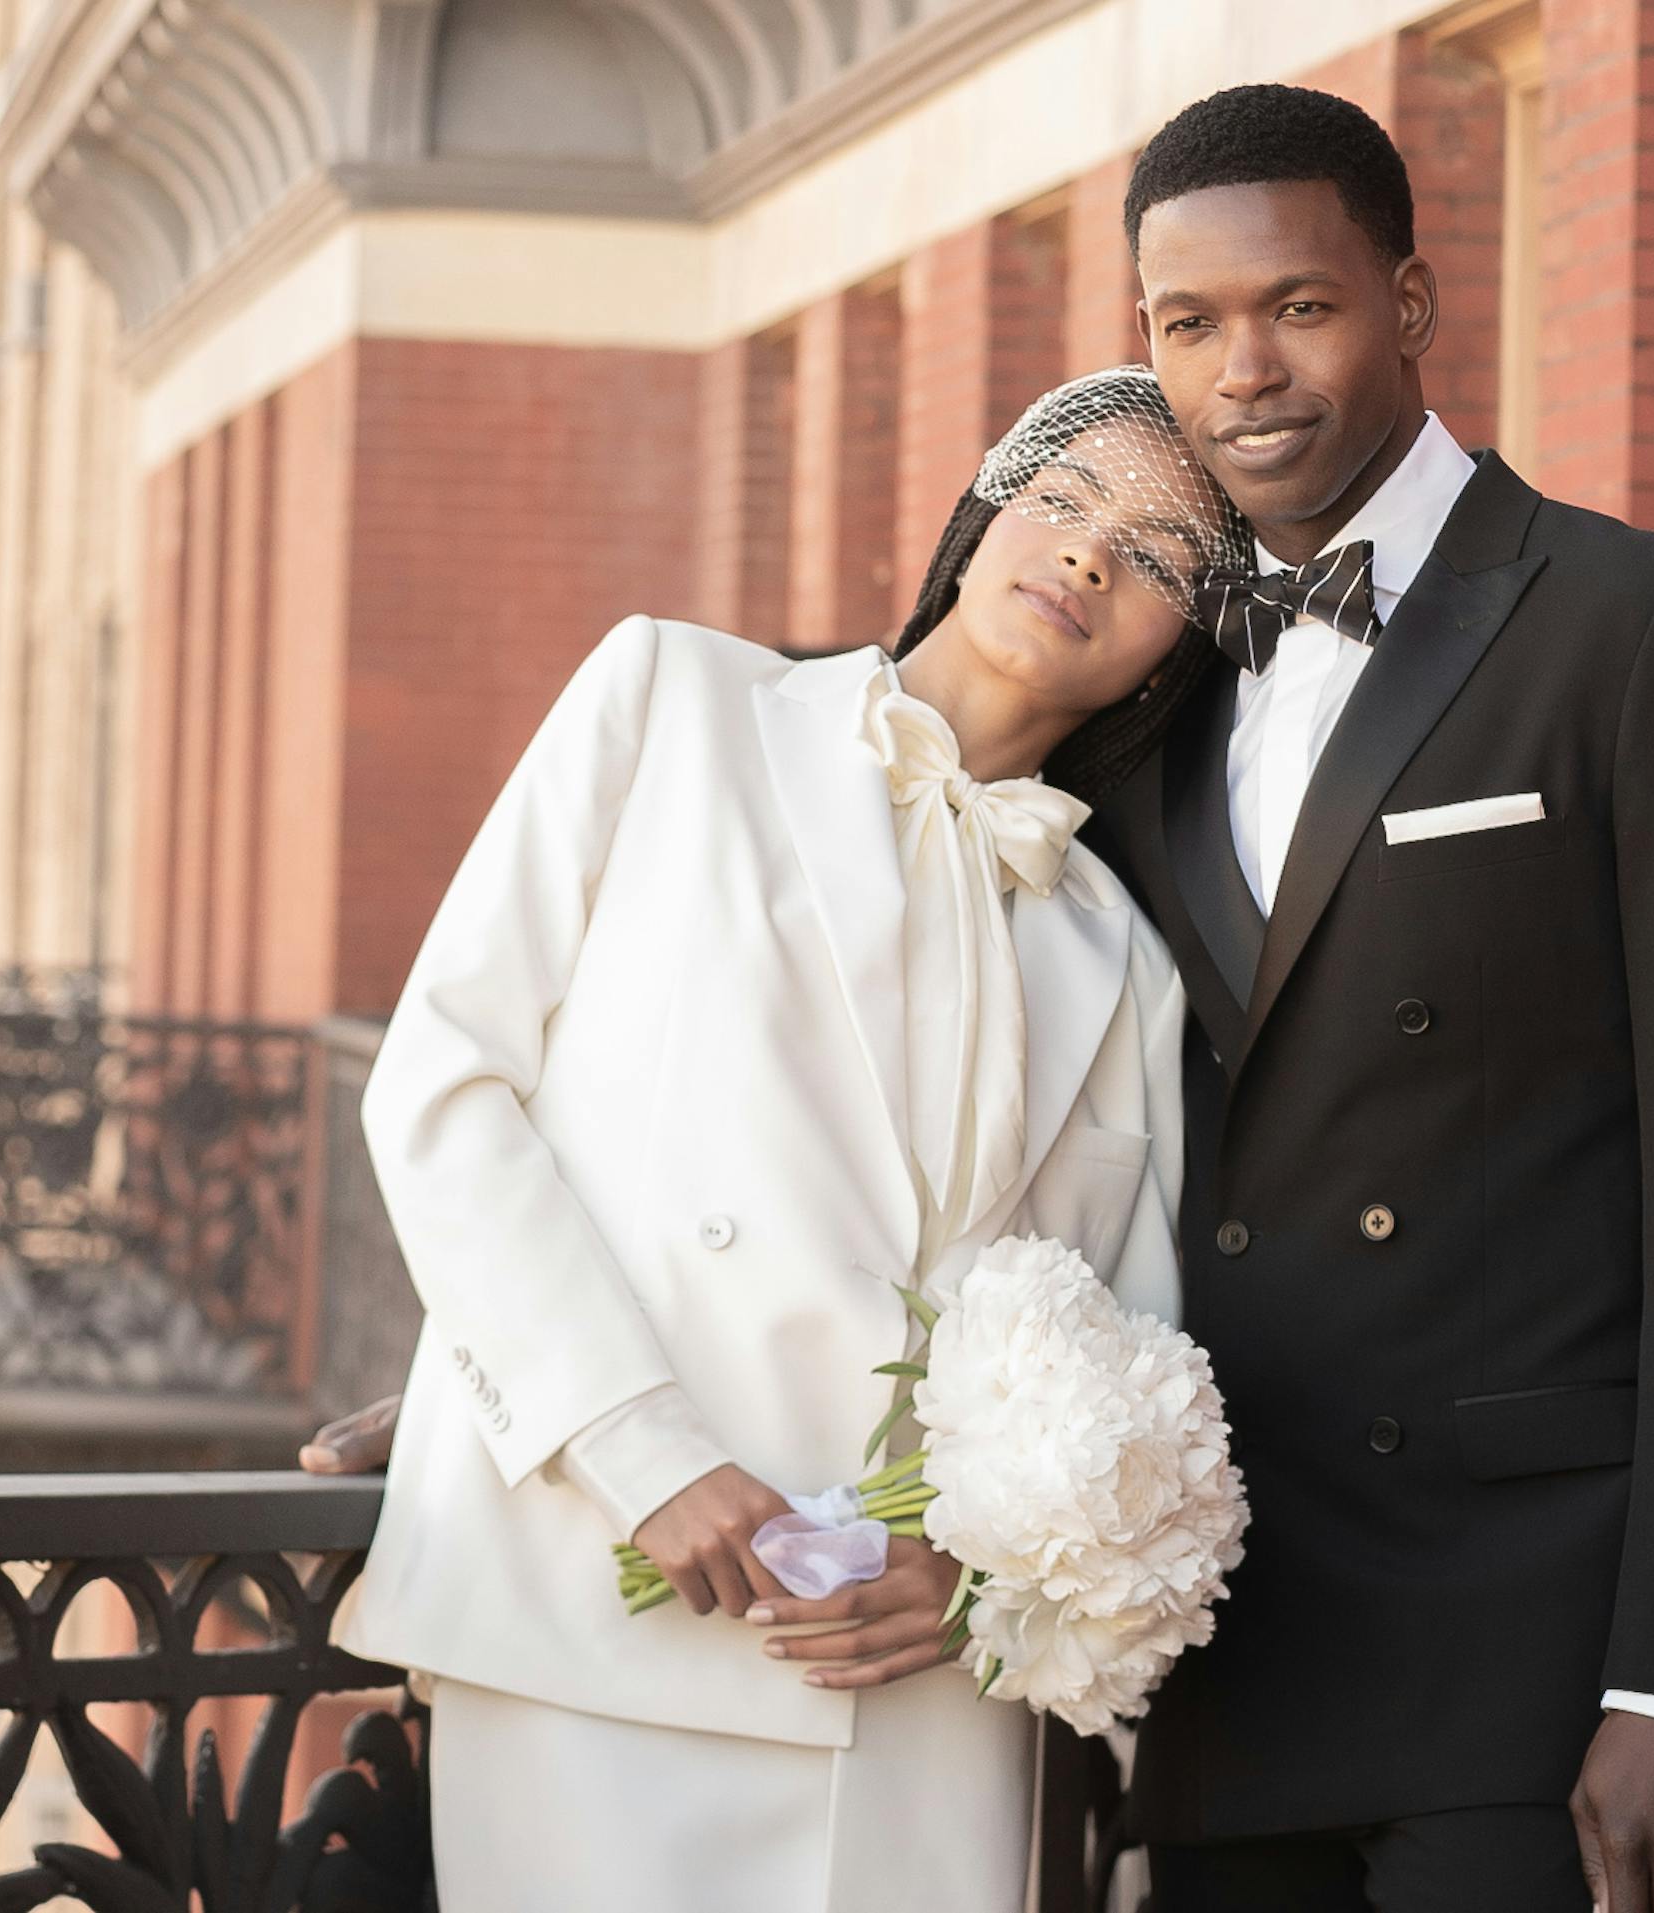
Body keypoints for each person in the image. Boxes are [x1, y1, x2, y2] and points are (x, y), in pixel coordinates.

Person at [329, 368, 1245, 1913]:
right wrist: (638, 1448)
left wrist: (984, 1587)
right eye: (1067, 498)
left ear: (1186, 640)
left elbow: (1125, 1342)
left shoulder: (1124, 959)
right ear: (982, 513)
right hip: (603, 1622)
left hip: (918, 1699)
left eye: (1158, 556)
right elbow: (442, 1085)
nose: (1092, 554)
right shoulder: (671, 702)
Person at [1093, 86, 1654, 1913]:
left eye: (1301, 305)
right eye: (1187, 327)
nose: (1244, 373)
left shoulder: (1645, 628)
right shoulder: (1152, 689)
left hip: (1542, 1659)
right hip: (1233, 1648)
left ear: (1415, 303)